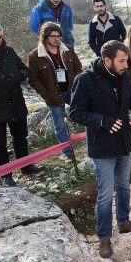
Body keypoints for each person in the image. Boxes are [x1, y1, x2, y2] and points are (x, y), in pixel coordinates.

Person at [70, 40, 131, 258]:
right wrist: (102, 121)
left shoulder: (123, 76)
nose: (125, 65)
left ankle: (123, 221)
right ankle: (104, 236)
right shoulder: (85, 80)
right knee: (105, 194)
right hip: (102, 147)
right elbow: (75, 113)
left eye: (126, 61)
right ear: (107, 60)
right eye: (121, 61)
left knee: (124, 187)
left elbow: (129, 100)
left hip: (124, 142)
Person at [0, 21, 46, 187]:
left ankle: (26, 166)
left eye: (0, 37)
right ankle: (5, 175)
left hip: (16, 103)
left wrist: (16, 75)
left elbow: (24, 70)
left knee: (21, 137)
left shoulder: (8, 51)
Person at [26, 21, 83, 160]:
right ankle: (68, 153)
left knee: (85, 115)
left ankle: (92, 143)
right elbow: (33, 79)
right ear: (45, 37)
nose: (56, 39)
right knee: (60, 125)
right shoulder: (34, 56)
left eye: (59, 36)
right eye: (53, 36)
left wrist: (76, 85)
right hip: (53, 95)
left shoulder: (68, 49)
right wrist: (46, 94)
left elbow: (78, 69)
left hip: (71, 91)